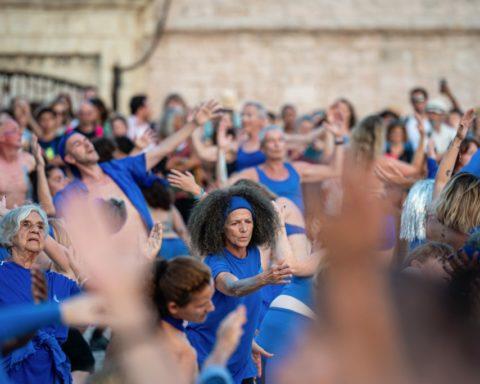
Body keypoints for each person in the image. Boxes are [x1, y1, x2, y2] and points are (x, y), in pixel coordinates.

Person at [53, 100, 221, 253]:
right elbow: (64, 236)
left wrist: (194, 124)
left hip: (150, 257)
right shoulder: (69, 196)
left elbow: (161, 150)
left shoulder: (119, 168)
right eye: (77, 144)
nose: (86, 143)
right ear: (69, 158)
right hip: (115, 272)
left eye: (85, 140)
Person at [186, 186, 293, 383]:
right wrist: (265, 279)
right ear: (221, 228)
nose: (244, 229)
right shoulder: (215, 260)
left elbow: (245, 304)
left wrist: (247, 342)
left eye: (248, 222)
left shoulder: (253, 252)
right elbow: (233, 288)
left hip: (240, 359)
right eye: (235, 223)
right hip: (207, 355)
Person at [0, 205, 82, 383]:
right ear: (9, 234)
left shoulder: (57, 282)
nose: (35, 230)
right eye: (26, 224)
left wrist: (79, 270)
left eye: (40, 227)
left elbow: (100, 306)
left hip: (50, 374)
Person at [151, 257, 248, 383]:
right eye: (202, 305)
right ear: (173, 307)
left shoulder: (152, 329)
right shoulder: (180, 351)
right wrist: (223, 348)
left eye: (210, 299)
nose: (211, 307)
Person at [226, 124, 344, 213]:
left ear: (286, 145)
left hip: (299, 233)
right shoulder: (253, 174)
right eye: (271, 141)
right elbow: (224, 187)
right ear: (262, 148)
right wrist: (222, 150)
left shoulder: (297, 169)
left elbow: (335, 170)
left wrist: (339, 138)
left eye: (281, 140)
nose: (277, 145)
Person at [141, 177, 190, 259]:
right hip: (177, 243)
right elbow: (181, 230)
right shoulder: (170, 208)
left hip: (158, 245)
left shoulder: (144, 208)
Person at [0, 115, 36, 208]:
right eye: (14, 130)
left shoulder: (28, 160)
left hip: (25, 219)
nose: (20, 133)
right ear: (1, 137)